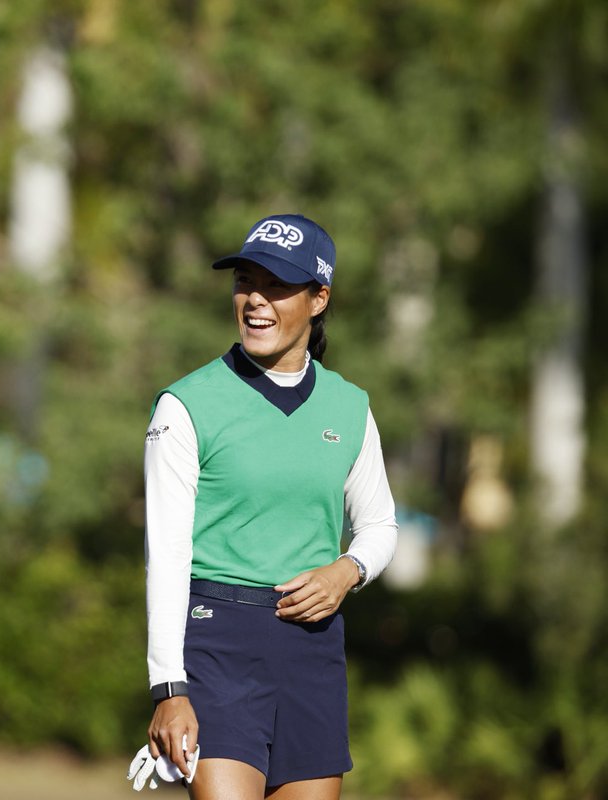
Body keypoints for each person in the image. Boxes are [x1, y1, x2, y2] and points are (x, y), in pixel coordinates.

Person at [139, 214, 397, 799]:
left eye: (277, 285)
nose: (255, 300)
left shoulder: (349, 407)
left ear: (319, 298)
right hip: (216, 644)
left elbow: (379, 525)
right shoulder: (186, 405)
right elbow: (168, 554)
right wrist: (168, 688)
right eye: (245, 281)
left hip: (312, 651)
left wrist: (346, 571)